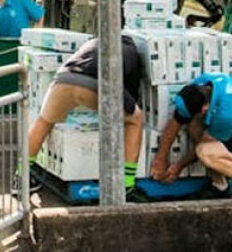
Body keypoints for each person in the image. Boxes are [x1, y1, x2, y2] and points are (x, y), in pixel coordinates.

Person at [26, 35, 145, 190]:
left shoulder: (91, 43)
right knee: (135, 119)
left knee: (44, 121)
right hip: (95, 85)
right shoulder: (131, 52)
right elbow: (129, 97)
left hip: (64, 78)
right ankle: (127, 183)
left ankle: (21, 176)